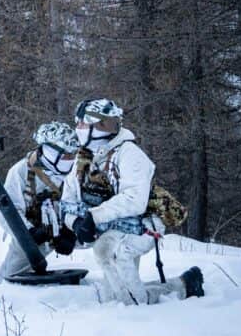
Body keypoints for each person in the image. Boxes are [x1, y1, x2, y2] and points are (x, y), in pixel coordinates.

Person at [59, 98, 204, 305]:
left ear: (99, 126)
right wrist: (75, 223)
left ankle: (146, 304)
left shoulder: (130, 154)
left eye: (82, 123)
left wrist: (93, 216)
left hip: (143, 222)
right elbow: (68, 200)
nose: (78, 128)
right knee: (112, 289)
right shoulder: (83, 159)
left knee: (120, 256)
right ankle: (180, 285)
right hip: (110, 223)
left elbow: (134, 200)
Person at [0, 121, 80, 280]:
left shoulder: (78, 171)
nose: (70, 159)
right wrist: (29, 233)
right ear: (50, 151)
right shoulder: (21, 171)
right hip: (35, 234)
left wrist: (73, 230)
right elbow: (9, 211)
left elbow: (89, 204)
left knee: (110, 239)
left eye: (73, 155)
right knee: (11, 274)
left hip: (69, 229)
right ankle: (4, 291)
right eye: (66, 155)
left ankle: (117, 288)